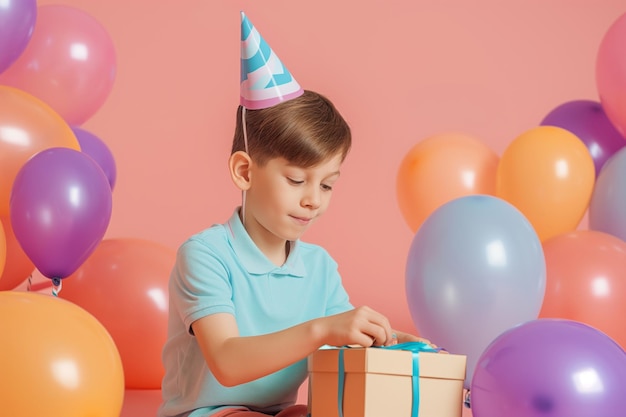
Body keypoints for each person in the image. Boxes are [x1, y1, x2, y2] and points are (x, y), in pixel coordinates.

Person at [158, 12, 430, 417]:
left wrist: (388, 343)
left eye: (326, 185)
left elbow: (344, 346)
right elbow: (229, 362)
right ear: (245, 171)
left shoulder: (319, 268)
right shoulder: (205, 255)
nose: (313, 200)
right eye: (297, 180)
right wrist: (324, 328)